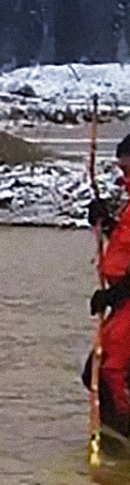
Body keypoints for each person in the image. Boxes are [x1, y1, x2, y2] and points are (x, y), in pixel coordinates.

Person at [88, 135, 130, 435]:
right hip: (123, 302)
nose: (122, 177)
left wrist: (115, 293)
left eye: (127, 169)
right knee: (97, 370)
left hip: (126, 299)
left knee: (110, 370)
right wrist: (105, 223)